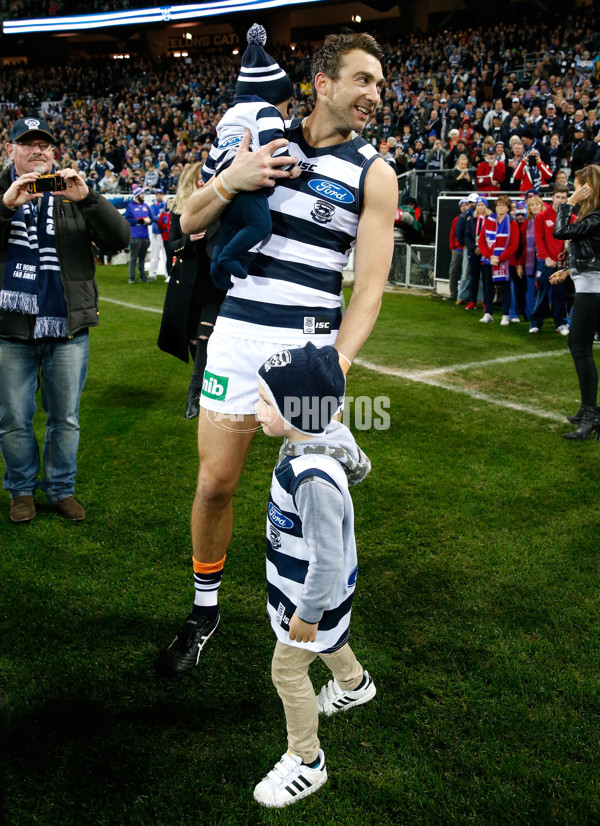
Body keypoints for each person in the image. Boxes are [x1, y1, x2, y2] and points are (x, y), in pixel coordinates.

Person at [156, 31, 397, 677]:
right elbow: (188, 222)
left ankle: (316, 623)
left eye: (379, 82)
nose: (376, 93)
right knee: (216, 485)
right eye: (363, 80)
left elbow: (370, 289)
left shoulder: (376, 172)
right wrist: (232, 179)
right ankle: (204, 612)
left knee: (313, 493)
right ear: (323, 82)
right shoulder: (260, 135)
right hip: (237, 338)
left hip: (311, 345)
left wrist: (336, 367)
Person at [252, 342, 375, 808]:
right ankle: (355, 684)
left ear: (299, 413)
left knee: (286, 672)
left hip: (312, 598)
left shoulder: (314, 478)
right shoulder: (312, 439)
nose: (256, 409)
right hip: (321, 596)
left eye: (266, 402)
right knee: (331, 641)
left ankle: (307, 761)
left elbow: (325, 559)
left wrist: (305, 614)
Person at [0, 116, 130, 523]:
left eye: (45, 145)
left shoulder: (71, 191)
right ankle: (21, 490)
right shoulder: (2, 195)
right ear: (11, 151)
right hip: (10, 327)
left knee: (66, 418)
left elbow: (119, 239)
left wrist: (88, 199)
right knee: (13, 419)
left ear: (53, 152)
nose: (38, 150)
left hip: (67, 326)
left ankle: (60, 489)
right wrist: (6, 207)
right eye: (27, 143)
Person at [200, 24, 298, 290]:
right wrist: (291, 164)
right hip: (246, 180)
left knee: (231, 227)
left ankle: (217, 264)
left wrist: (207, 179)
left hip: (224, 183)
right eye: (287, 106)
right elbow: (273, 142)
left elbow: (212, 156)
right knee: (260, 224)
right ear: (274, 96)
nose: (287, 114)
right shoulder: (266, 110)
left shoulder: (228, 116)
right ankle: (230, 256)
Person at [157, 163, 226, 420]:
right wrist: (189, 240)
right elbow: (171, 248)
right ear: (191, 181)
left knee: (205, 337)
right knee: (195, 342)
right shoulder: (179, 209)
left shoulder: (222, 206)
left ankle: (194, 395)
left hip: (213, 284)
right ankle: (209, 388)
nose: (204, 182)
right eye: (200, 178)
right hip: (186, 286)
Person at [551, 165, 600, 440]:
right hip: (589, 286)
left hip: (594, 291)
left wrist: (568, 203)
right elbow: (587, 250)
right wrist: (568, 271)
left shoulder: (596, 215)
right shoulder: (592, 216)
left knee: (579, 347)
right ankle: (588, 409)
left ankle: (591, 414)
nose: (574, 190)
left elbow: (562, 232)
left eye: (579, 185)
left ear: (588, 188)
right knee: (579, 347)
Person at [529, 185, 572, 335]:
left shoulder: (571, 217)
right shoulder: (542, 216)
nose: (560, 200)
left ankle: (560, 323)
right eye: (558, 197)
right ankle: (535, 323)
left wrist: (568, 261)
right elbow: (539, 239)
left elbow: (572, 242)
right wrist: (546, 257)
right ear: (552, 197)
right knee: (541, 293)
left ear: (567, 199)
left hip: (562, 264)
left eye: (563, 197)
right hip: (544, 261)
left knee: (559, 295)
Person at [477, 194, 520, 324]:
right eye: (498, 205)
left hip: (506, 262)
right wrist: (490, 257)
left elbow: (513, 245)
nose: (500, 208)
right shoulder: (489, 220)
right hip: (488, 260)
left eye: (503, 206)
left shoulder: (512, 222)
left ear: (508, 208)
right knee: (488, 287)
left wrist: (500, 258)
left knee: (506, 289)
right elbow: (482, 241)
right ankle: (488, 313)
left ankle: (505, 315)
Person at [516, 195, 546, 320]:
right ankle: (530, 316)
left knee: (545, 289)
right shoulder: (525, 224)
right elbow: (521, 246)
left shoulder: (546, 220)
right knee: (531, 290)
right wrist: (519, 264)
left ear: (541, 205)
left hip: (545, 259)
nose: (534, 207)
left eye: (537, 204)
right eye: (532, 205)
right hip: (529, 262)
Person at [124, 184, 151, 284]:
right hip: (135, 235)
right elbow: (127, 219)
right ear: (137, 195)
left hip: (145, 235)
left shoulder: (145, 206)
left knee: (142, 258)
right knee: (133, 257)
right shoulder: (130, 206)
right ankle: (131, 277)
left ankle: (142, 276)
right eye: (141, 194)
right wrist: (139, 221)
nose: (143, 195)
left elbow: (151, 217)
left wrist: (149, 221)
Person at [447, 198, 468, 301]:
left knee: (466, 274)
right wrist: (452, 248)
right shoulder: (456, 219)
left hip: (467, 250)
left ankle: (464, 296)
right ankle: (453, 294)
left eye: (466, 205)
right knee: (453, 272)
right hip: (457, 250)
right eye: (462, 205)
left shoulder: (471, 218)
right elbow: (452, 234)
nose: (464, 207)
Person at [148, 188, 167, 281]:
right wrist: (161, 218)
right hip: (156, 232)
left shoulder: (166, 205)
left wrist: (160, 218)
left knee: (166, 254)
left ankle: (168, 273)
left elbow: (167, 218)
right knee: (154, 254)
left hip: (164, 232)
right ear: (156, 195)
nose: (159, 196)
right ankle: (152, 273)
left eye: (161, 194)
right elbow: (152, 218)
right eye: (158, 194)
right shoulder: (152, 206)